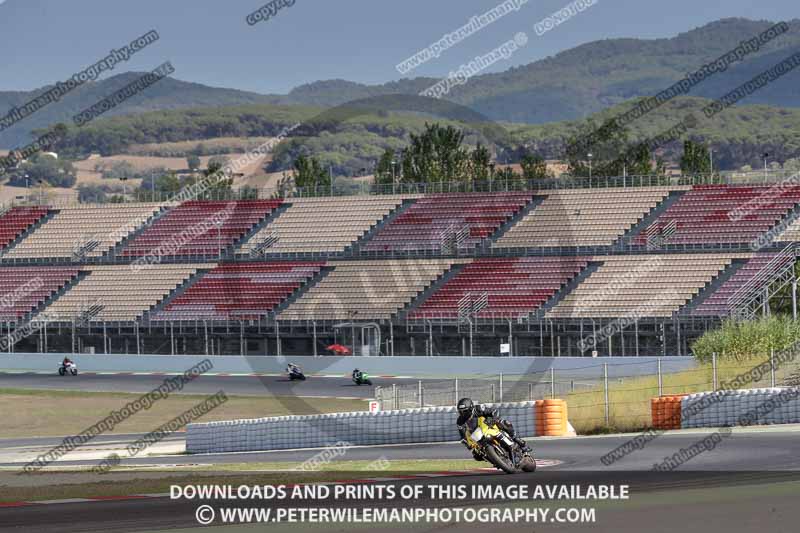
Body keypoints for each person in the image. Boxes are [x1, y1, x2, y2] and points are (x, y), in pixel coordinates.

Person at [456, 397, 530, 461]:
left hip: (489, 426)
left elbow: (494, 411)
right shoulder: (460, 421)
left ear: (471, 408)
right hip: (477, 435)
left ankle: (517, 440)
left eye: (465, 411)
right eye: (461, 412)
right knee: (476, 456)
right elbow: (463, 435)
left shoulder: (478, 409)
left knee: (503, 422)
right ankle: (494, 459)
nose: (463, 414)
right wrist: (468, 444)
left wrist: (492, 419)